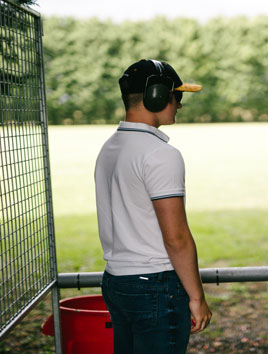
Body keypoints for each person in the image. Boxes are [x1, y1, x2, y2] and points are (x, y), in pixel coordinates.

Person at [95, 59, 211, 353]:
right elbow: (176, 237)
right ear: (157, 95)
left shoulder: (109, 147)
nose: (179, 106)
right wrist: (196, 297)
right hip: (155, 286)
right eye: (177, 96)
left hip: (117, 281)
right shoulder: (161, 154)